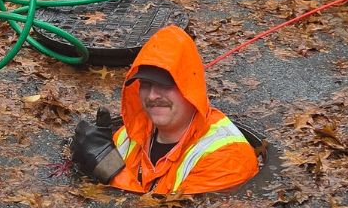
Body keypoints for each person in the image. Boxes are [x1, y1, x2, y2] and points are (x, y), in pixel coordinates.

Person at [69, 24, 260, 195]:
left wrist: (108, 167)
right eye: (146, 84)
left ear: (189, 88)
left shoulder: (228, 157)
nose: (152, 96)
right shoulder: (129, 135)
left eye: (165, 85)